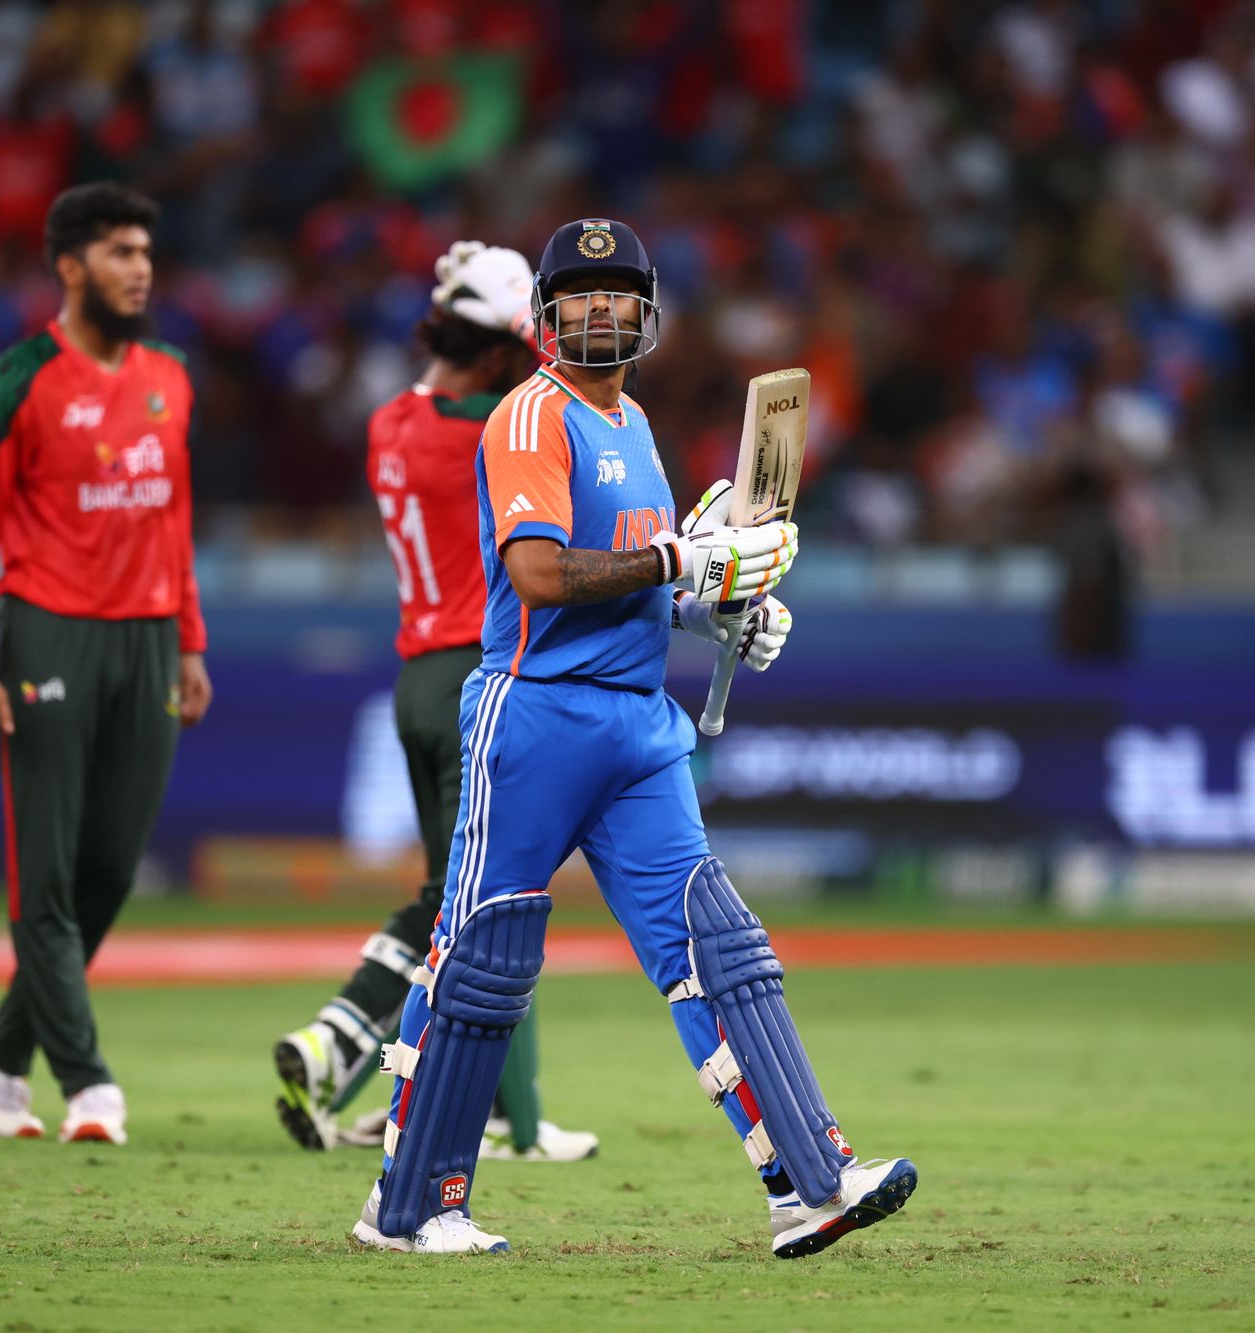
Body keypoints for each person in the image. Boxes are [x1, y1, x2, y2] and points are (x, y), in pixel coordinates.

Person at [349, 217, 918, 1257]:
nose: (599, 308)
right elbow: (538, 576)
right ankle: (410, 1208)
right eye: (578, 292)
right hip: (534, 713)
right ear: (543, 317)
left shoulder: (634, 426)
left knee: (721, 947)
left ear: (645, 311)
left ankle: (809, 1181)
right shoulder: (530, 417)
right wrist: (680, 569)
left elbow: (643, 575)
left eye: (617, 292)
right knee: (478, 963)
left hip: (636, 727)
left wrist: (719, 609)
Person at [272, 241, 598, 1165]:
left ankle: (389, 1068)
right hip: (478, 677)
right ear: (499, 349)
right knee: (495, 896)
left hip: (412, 676)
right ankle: (497, 1118)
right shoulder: (494, 427)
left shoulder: (389, 425)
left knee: (452, 892)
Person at [0, 182, 212, 1146]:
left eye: (145, 250)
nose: (140, 267)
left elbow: (173, 514)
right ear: (69, 267)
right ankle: (88, 1082)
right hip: (46, 633)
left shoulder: (171, 375)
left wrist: (188, 638)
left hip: (146, 642)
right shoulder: (15, 378)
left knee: (107, 870)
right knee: (45, 876)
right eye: (118, 252)